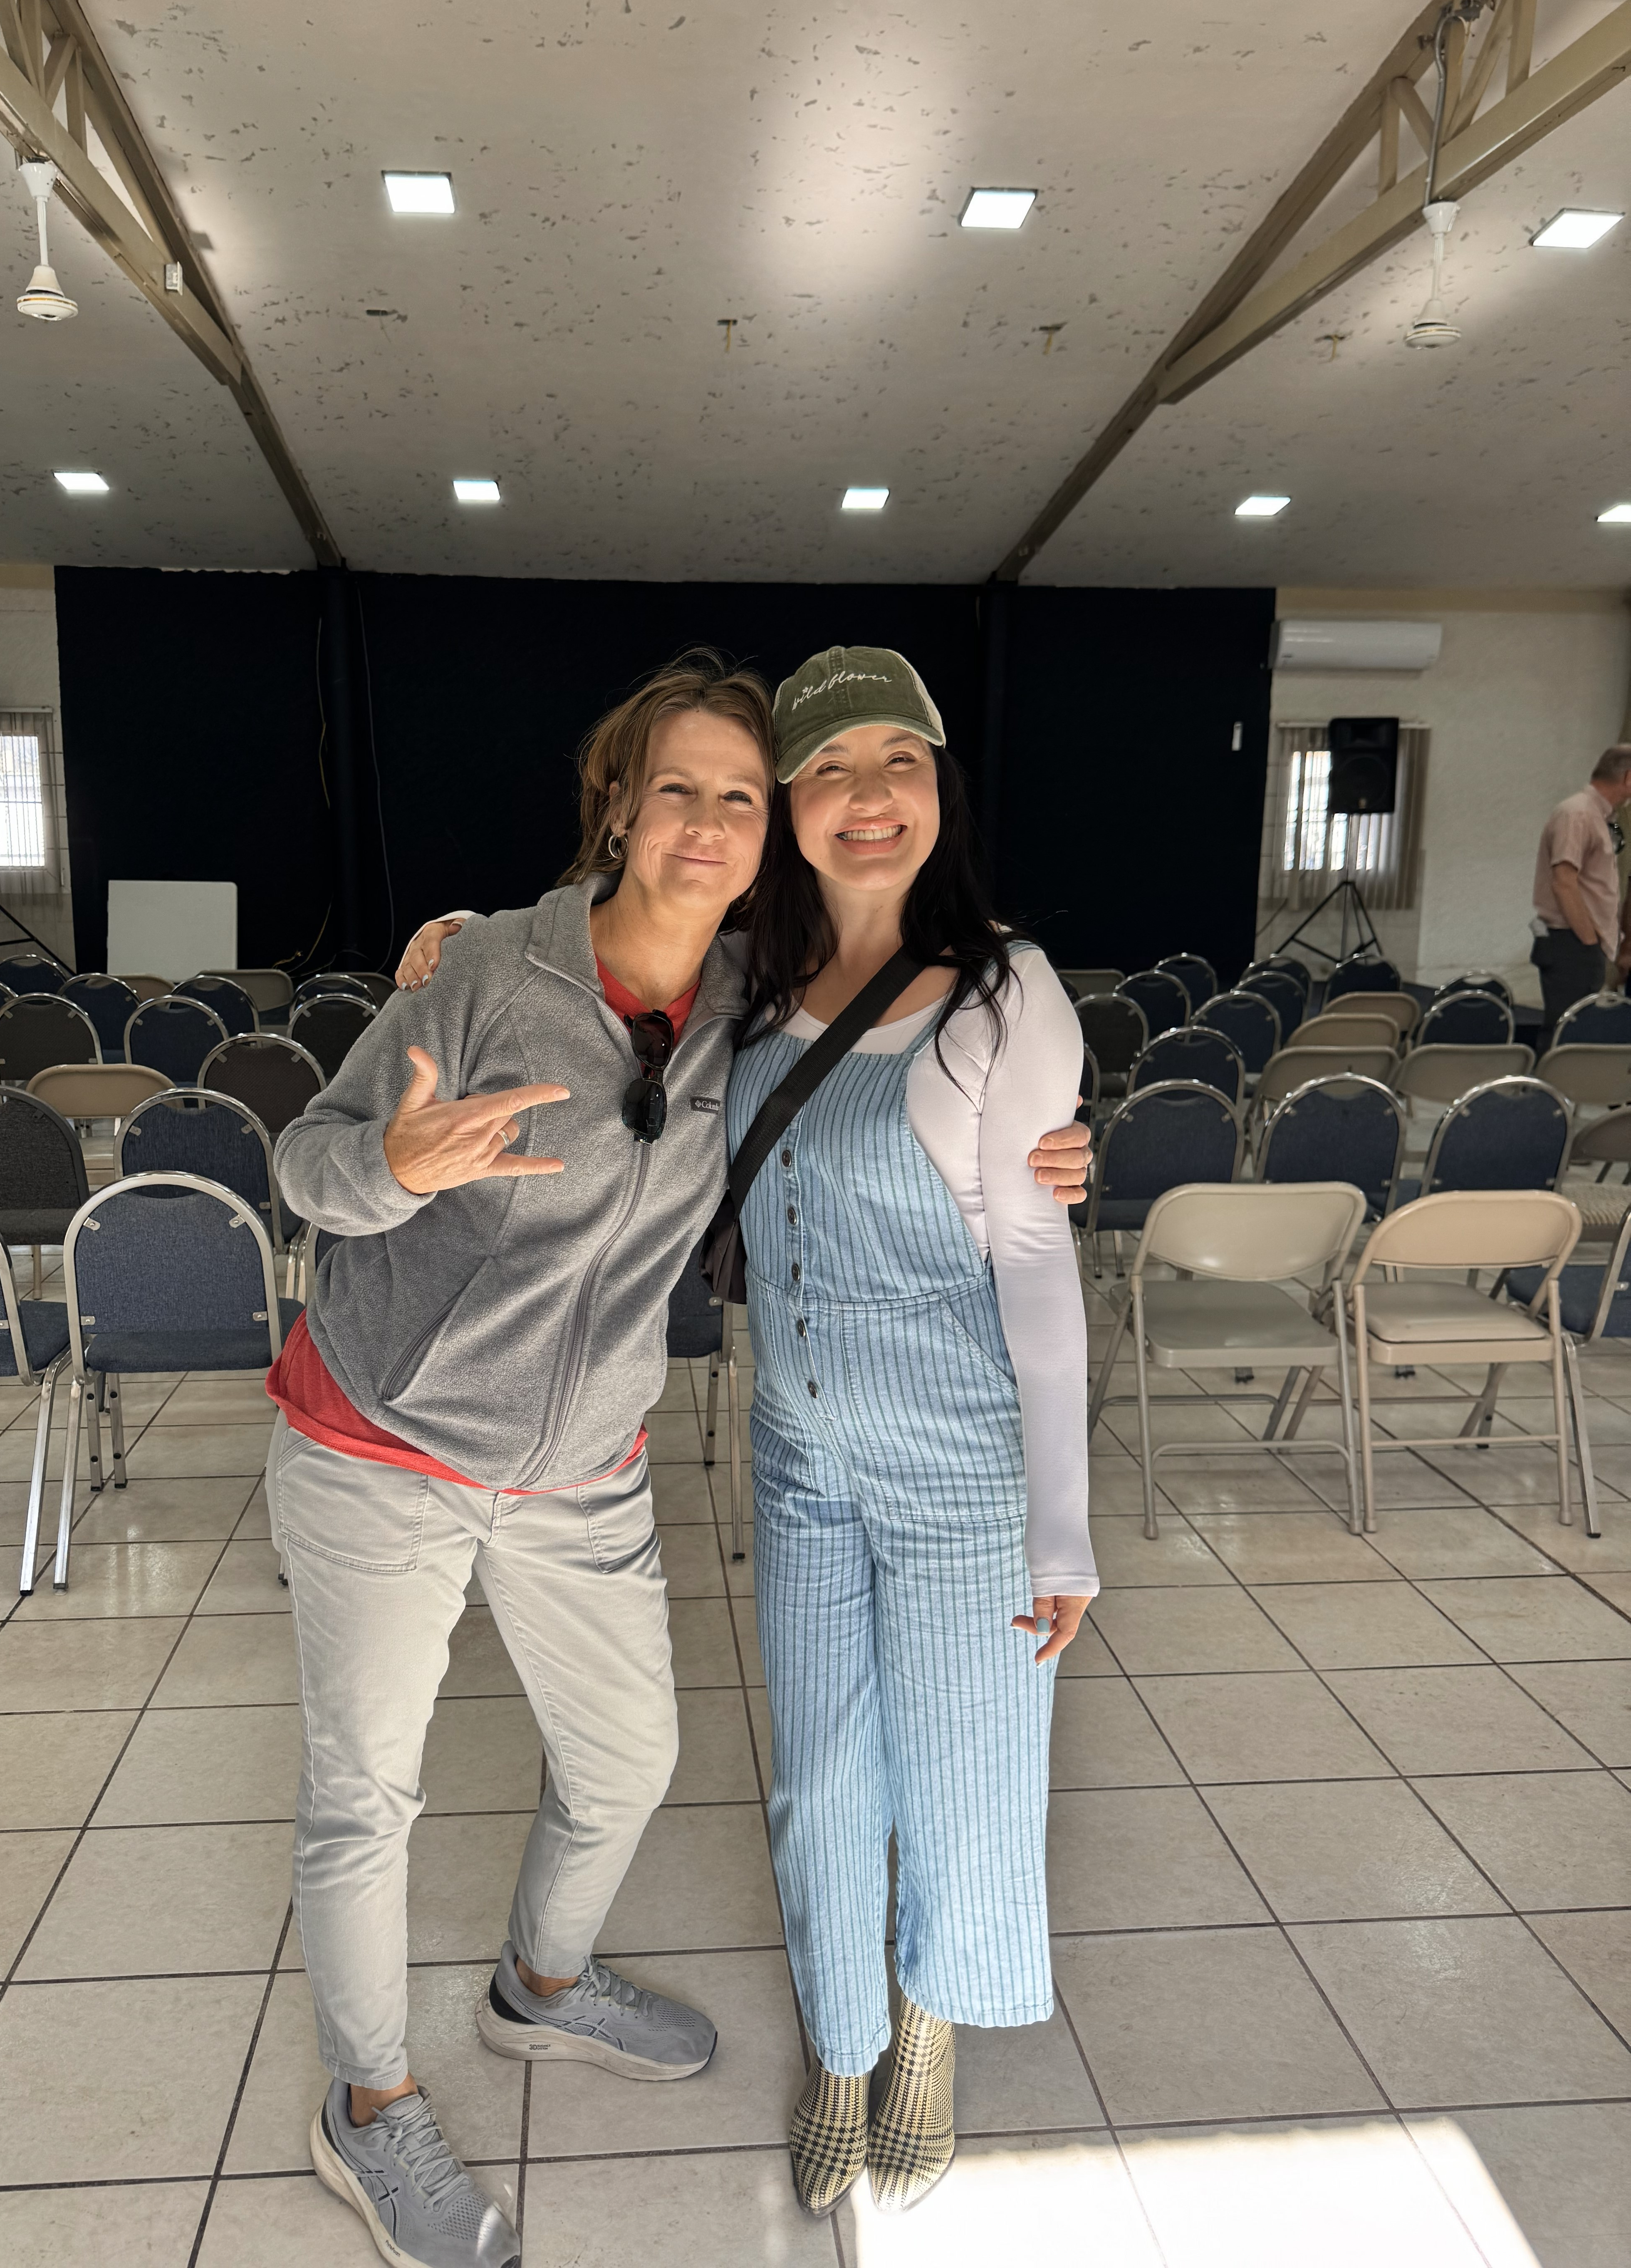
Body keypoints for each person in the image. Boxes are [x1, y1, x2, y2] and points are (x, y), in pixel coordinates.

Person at [400, 646, 1095, 2223]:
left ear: (938, 788)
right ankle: (842, 2043)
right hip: (794, 1452)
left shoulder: (1005, 989)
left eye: (898, 760)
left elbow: (1037, 1261)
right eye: (828, 767)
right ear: (785, 809)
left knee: (968, 1760)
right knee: (822, 1772)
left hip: (959, 1456)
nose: (868, 796)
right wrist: (453, 940)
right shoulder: (745, 988)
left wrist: (1064, 1529)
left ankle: (928, 2024)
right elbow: (594, 960)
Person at [269, 656, 777, 2268]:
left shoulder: (756, 1009)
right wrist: (395, 1164)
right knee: (367, 1795)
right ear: (618, 806)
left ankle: (539, 1988)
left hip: (581, 1467)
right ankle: (369, 2105)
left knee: (627, 1758)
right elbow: (306, 1164)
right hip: (381, 1441)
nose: (707, 824)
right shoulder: (487, 971)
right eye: (678, 789)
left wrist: (1041, 1137)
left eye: (741, 798)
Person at [1532, 744, 1631, 1048]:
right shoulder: (1577, 814)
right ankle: (1547, 1082)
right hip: (1572, 942)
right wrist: (1589, 942)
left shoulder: (1599, 815)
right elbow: (1564, 883)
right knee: (1565, 1035)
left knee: (1579, 1034)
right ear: (1628, 778)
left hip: (1584, 944)